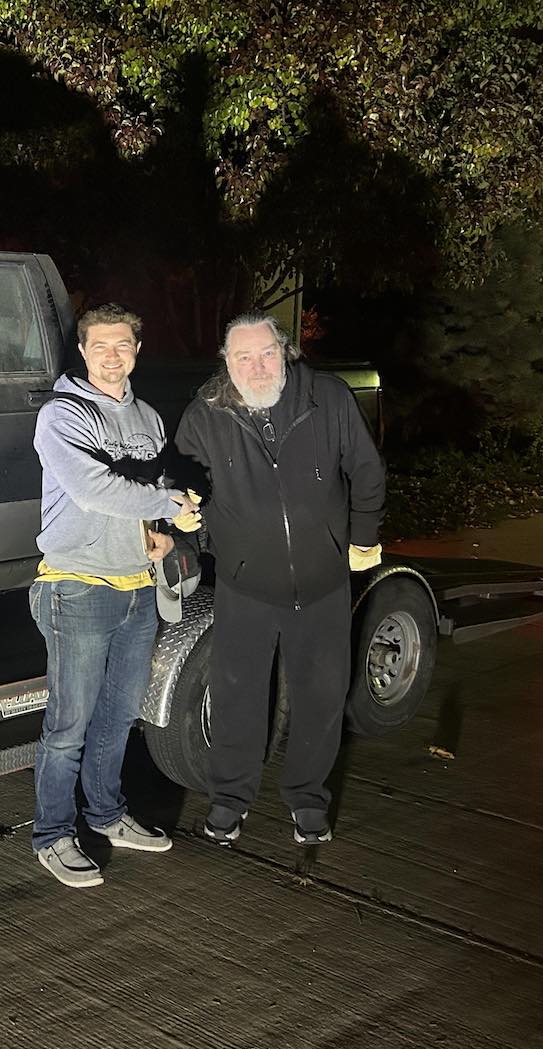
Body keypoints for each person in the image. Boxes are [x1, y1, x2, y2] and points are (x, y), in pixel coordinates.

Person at [175, 314, 385, 846]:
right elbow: (181, 486)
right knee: (237, 696)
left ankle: (308, 799)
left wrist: (362, 539)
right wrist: (184, 526)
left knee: (321, 696)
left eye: (266, 353)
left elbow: (366, 469)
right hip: (245, 585)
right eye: (242, 356)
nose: (257, 365)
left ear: (284, 351)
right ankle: (229, 799)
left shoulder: (328, 398)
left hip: (323, 582)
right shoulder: (206, 415)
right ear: (226, 362)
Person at [29, 302, 201, 888]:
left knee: (119, 717)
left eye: (122, 344)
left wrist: (162, 530)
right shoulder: (62, 416)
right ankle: (53, 834)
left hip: (136, 588)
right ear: (82, 350)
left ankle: (105, 816)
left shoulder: (150, 418)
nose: (111, 355)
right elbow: (95, 490)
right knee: (69, 723)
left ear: (137, 350)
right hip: (75, 585)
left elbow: (152, 488)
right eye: (99, 345)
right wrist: (166, 506)